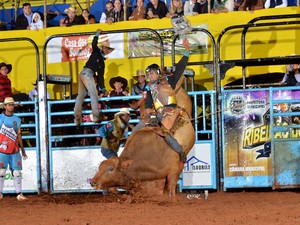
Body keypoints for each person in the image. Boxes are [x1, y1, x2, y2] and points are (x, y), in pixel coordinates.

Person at [133, 38, 191, 162]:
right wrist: (149, 112)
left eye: (152, 73)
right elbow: (148, 102)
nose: (150, 76)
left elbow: (180, 68)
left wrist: (186, 52)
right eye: (149, 74)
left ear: (158, 73)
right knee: (136, 129)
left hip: (169, 110)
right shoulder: (148, 87)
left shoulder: (169, 80)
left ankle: (180, 151)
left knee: (164, 132)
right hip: (157, 112)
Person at [74, 29, 114, 126]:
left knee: (81, 96)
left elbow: (100, 78)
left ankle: (77, 118)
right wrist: (97, 35)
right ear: (103, 48)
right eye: (106, 48)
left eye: (108, 49)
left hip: (83, 73)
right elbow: (93, 44)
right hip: (87, 73)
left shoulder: (101, 61)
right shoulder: (97, 52)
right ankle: (96, 116)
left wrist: (103, 88)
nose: (107, 51)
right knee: (93, 94)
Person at [0, 97, 28, 201]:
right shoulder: (0, 118)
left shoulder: (17, 120)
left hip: (14, 149)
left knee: (17, 172)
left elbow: (19, 135)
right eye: (9, 105)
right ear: (5, 106)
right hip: (2, 149)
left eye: (12, 104)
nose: (11, 106)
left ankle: (19, 193)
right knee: (1, 172)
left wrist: (23, 149)